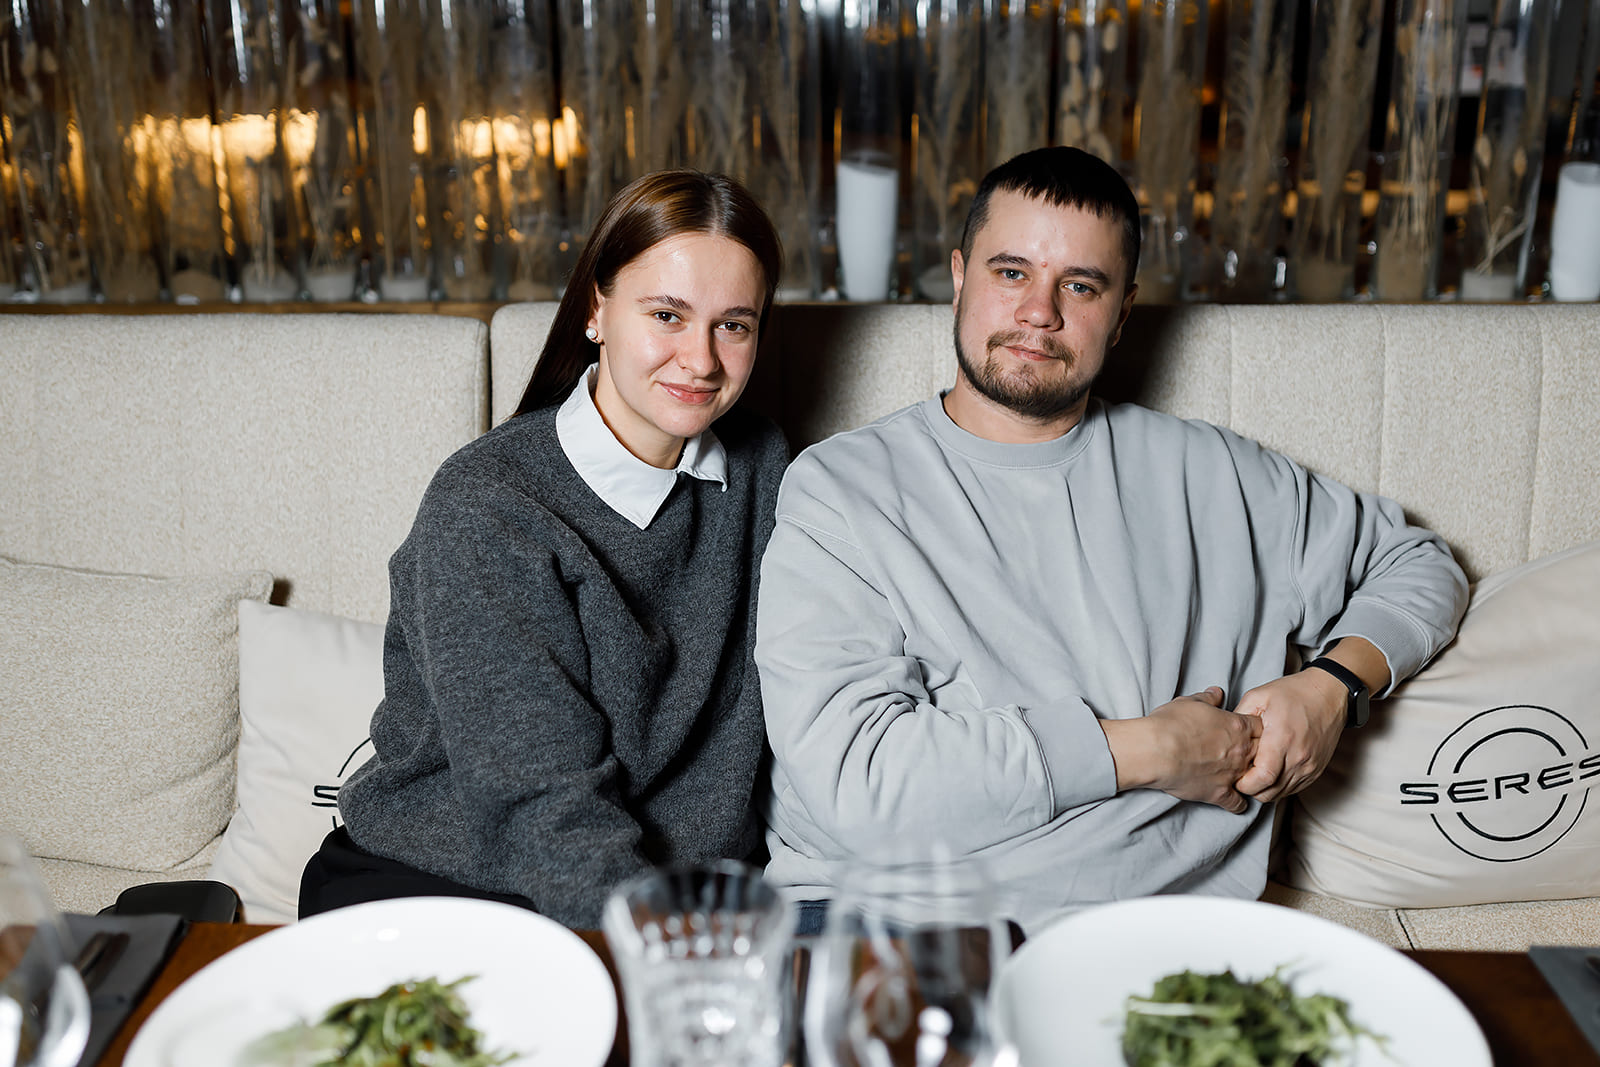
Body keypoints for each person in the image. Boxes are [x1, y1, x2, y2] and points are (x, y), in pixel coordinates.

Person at [754, 146, 1468, 932]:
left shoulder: (1215, 473)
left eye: (1080, 285)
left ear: (1123, 312)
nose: (1039, 311)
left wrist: (1333, 689)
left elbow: (1417, 562)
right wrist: (1148, 751)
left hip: (1152, 934)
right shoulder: (842, 489)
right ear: (959, 278)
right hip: (895, 920)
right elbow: (860, 783)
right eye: (1012, 272)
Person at [299, 170, 789, 929]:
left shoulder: (763, 468)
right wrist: (674, 953)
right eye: (666, 315)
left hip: (655, 897)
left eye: (734, 325)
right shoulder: (488, 506)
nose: (700, 359)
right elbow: (539, 804)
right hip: (449, 879)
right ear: (597, 309)